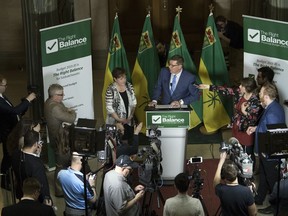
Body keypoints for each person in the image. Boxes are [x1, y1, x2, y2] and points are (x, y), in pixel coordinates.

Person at [198, 78, 261, 160]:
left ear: (246, 89)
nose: (239, 86)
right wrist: (209, 87)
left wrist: (244, 112)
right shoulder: (239, 92)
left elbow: (254, 120)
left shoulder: (255, 101)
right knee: (235, 151)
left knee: (247, 155)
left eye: (242, 85)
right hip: (236, 127)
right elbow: (226, 90)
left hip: (247, 132)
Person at [246, 83, 286, 205]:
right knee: (263, 176)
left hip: (269, 154)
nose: (259, 95)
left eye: (261, 93)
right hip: (267, 154)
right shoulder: (274, 107)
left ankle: (276, 206)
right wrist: (256, 128)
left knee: (272, 180)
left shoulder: (272, 112)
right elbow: (267, 126)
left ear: (266, 96)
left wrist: (263, 153)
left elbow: (274, 136)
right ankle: (259, 199)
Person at [0, 74, 36, 189]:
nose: (6, 87)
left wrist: (25, 104)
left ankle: (7, 179)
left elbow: (15, 112)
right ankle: (5, 181)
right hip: (7, 133)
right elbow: (13, 111)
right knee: (8, 157)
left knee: (9, 156)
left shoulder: (2, 96)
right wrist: (27, 100)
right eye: (4, 85)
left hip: (11, 131)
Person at [44, 83, 77, 196]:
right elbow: (71, 118)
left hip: (57, 139)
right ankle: (59, 191)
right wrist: (72, 112)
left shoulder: (48, 102)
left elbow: (62, 108)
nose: (63, 95)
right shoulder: (55, 107)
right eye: (61, 94)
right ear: (54, 95)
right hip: (61, 141)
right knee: (60, 166)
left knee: (62, 164)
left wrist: (65, 110)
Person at [11, 130, 52, 204]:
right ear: (36, 144)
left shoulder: (15, 155)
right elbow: (42, 184)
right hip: (34, 198)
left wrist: (37, 155)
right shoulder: (36, 164)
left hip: (21, 191)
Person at [213, 151, 257, 216]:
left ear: (223, 177)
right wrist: (251, 195)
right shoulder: (246, 192)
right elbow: (253, 213)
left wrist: (221, 161)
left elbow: (215, 182)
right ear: (237, 173)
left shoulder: (221, 190)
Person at [105, 67, 137, 140]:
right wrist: (119, 119)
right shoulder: (110, 89)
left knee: (129, 142)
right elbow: (109, 108)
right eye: (121, 79)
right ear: (115, 79)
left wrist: (130, 116)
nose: (124, 80)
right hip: (115, 122)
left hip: (129, 121)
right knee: (117, 143)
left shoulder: (129, 86)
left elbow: (134, 103)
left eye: (125, 78)